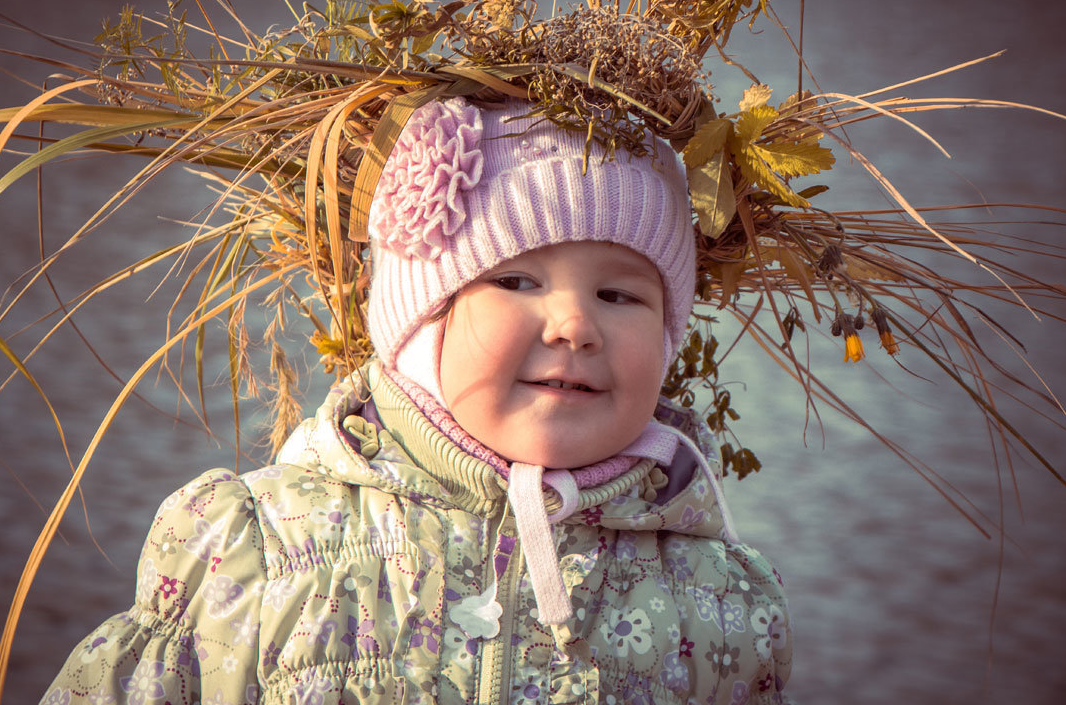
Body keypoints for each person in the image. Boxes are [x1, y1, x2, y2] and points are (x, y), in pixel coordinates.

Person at [41, 97, 794, 704]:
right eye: (517, 281)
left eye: (620, 293)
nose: (574, 324)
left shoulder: (722, 601)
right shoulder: (259, 552)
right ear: (419, 325)